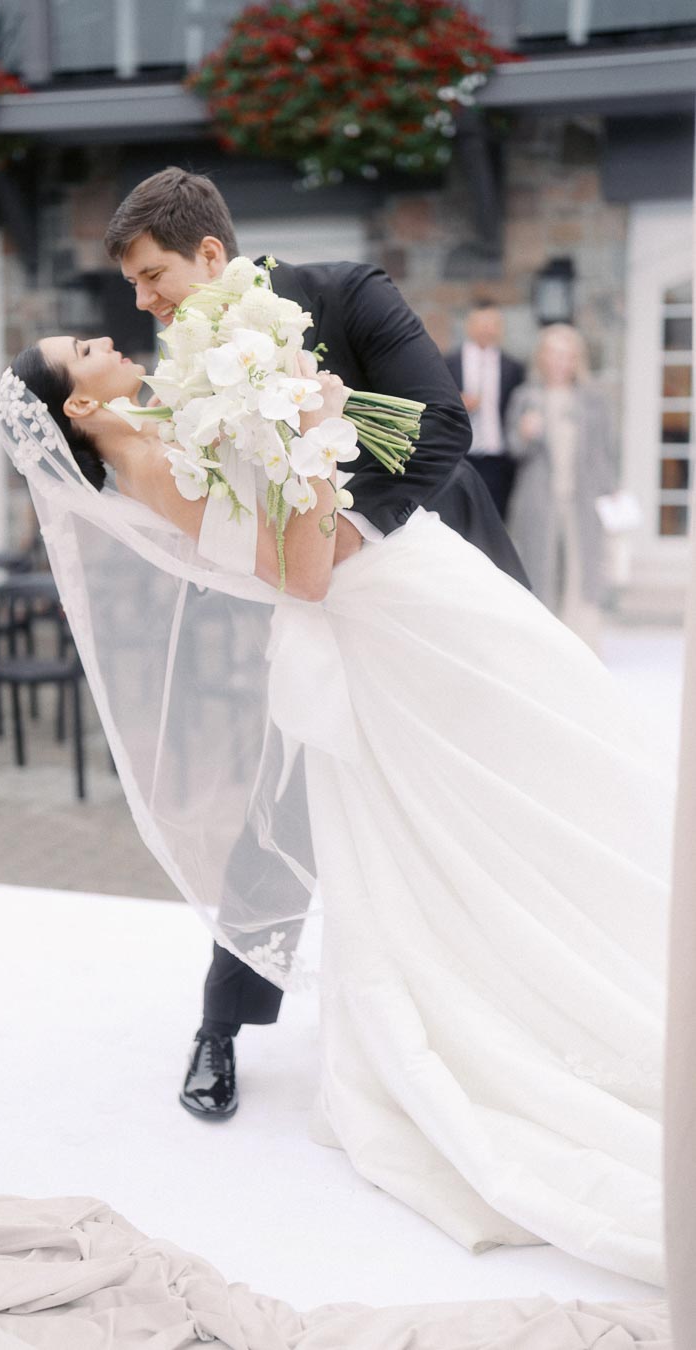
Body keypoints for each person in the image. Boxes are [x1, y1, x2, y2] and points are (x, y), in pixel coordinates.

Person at [0, 333, 669, 1286]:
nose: (114, 330)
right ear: (78, 406)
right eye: (84, 348)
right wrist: (308, 429)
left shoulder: (171, 417)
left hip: (417, 578)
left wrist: (295, 423)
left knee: (545, 752)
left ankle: (567, 958)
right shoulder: (147, 467)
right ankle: (536, 996)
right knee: (506, 778)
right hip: (378, 607)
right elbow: (299, 571)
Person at [102, 166, 530, 1122]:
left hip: (428, 568)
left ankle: (484, 1018)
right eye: (132, 285)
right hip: (314, 604)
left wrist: (338, 532)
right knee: (283, 799)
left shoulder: (351, 293)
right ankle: (221, 1024)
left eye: (152, 276)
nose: (143, 302)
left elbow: (442, 427)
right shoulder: (186, 367)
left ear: (210, 253)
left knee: (477, 789)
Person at [505, 324, 618, 654]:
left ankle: (582, 645)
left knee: (581, 570)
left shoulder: (593, 400)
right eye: (553, 354)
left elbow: (606, 451)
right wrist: (525, 433)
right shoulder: (525, 397)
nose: (559, 362)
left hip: (583, 500)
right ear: (541, 357)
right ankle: (543, 646)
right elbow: (514, 449)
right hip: (539, 500)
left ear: (577, 360)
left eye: (567, 355)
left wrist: (611, 491)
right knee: (540, 569)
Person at [444, 300, 526, 520]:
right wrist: (457, 405)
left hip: (499, 460)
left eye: (492, 324)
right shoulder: (448, 364)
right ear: (469, 325)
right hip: (461, 457)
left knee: (496, 520)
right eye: (481, 323)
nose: (487, 330)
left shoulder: (513, 368)